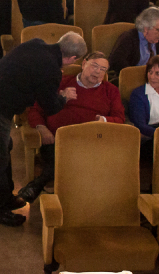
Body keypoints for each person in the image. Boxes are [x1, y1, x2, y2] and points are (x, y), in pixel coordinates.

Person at [0, 32, 87, 226]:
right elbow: (50, 107)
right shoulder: (51, 69)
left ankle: (5, 198)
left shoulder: (37, 43)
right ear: (72, 58)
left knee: (4, 149)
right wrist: (64, 97)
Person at [18, 51, 124, 203]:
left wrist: (104, 120)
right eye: (95, 66)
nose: (98, 71)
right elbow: (36, 109)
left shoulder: (111, 91)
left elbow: (120, 118)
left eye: (103, 69)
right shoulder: (61, 83)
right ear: (83, 64)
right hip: (57, 138)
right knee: (61, 158)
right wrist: (41, 128)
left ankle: (37, 186)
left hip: (91, 142)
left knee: (78, 161)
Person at [108, 6, 159, 78]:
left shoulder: (158, 42)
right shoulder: (129, 38)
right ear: (146, 29)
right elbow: (115, 61)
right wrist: (137, 75)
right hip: (131, 79)